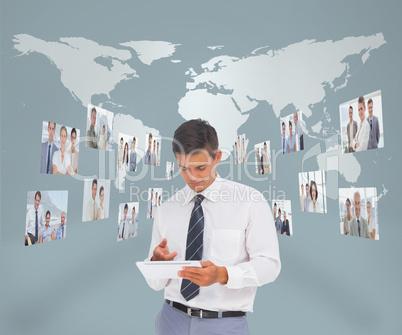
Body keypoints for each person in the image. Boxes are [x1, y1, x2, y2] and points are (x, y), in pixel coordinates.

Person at [146, 119, 280, 335]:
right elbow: (155, 284)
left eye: (200, 168)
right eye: (183, 168)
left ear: (217, 158)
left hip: (224, 325)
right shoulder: (167, 209)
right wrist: (156, 264)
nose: (192, 177)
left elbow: (270, 265)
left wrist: (224, 275)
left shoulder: (250, 201)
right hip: (170, 320)